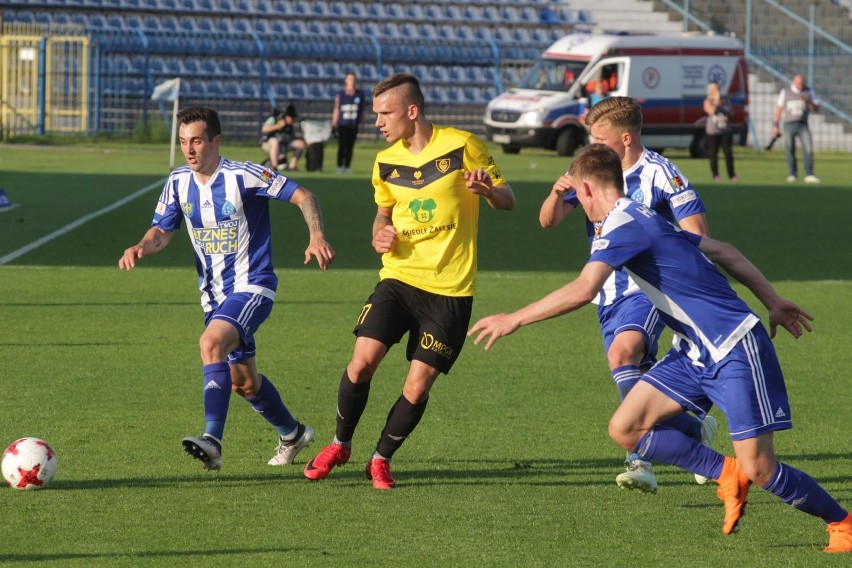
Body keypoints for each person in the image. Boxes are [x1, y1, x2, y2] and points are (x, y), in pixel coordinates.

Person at [469, 143, 852, 553]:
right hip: (693, 353)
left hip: (733, 347)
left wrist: (514, 319)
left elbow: (584, 289)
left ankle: (842, 522)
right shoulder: (641, 214)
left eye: (576, 198)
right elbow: (724, 250)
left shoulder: (623, 224)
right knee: (626, 427)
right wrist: (773, 301)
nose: (577, 205)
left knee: (761, 468)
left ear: (585, 189)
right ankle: (725, 473)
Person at [302, 72, 516, 490]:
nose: (377, 121)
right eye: (376, 113)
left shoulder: (463, 145)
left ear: (411, 111)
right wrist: (378, 234)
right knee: (361, 363)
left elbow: (508, 201)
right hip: (398, 278)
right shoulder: (384, 162)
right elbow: (383, 215)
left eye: (385, 113)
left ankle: (380, 459)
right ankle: (339, 444)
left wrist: (488, 191)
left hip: (450, 290)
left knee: (417, 387)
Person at [119, 106, 336, 472]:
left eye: (198, 141)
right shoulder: (177, 182)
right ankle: (293, 433)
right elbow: (161, 231)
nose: (190, 150)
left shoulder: (245, 175)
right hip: (214, 296)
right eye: (184, 141)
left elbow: (304, 196)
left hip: (253, 285)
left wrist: (316, 235)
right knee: (244, 383)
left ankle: (213, 442)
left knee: (210, 343)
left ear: (216, 141)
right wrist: (142, 245)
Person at [539, 96, 716, 494]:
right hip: (606, 290)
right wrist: (555, 193)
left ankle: (640, 458)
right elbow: (548, 222)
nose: (592, 147)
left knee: (624, 354)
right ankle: (693, 428)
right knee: (632, 374)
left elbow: (701, 237)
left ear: (625, 138)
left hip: (648, 288)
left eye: (599, 139)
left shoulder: (661, 174)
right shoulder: (591, 169)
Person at [772, 74, 820, 183]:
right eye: (798, 83)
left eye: (802, 83)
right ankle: (792, 174)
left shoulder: (809, 91)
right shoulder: (785, 92)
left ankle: (809, 174)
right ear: (794, 82)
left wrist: (808, 102)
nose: (800, 85)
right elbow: (778, 109)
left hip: (803, 124)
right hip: (789, 124)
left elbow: (816, 108)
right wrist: (775, 125)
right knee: (790, 149)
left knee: (808, 148)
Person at [331, 71, 368, 174]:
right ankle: (339, 166)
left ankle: (347, 166)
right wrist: (334, 123)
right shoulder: (341, 94)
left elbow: (363, 110)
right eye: (350, 79)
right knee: (342, 145)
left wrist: (363, 124)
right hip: (343, 124)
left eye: (353, 79)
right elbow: (337, 109)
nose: (352, 81)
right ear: (346, 80)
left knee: (350, 146)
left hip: (354, 124)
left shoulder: (360, 94)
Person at [703, 82, 738, 182]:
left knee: (728, 153)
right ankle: (715, 174)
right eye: (715, 89)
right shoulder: (707, 101)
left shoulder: (726, 100)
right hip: (713, 131)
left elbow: (731, 113)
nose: (718, 91)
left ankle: (732, 174)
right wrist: (717, 100)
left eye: (718, 89)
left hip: (725, 129)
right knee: (714, 153)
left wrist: (728, 117)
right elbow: (711, 111)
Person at [261, 104, 306, 172]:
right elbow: (264, 129)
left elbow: (292, 138)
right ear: (287, 116)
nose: (293, 120)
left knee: (300, 144)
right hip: (268, 144)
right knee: (274, 141)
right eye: (292, 118)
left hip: (284, 145)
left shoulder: (290, 125)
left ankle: (292, 167)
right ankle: (274, 166)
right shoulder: (274, 118)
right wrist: (278, 126)